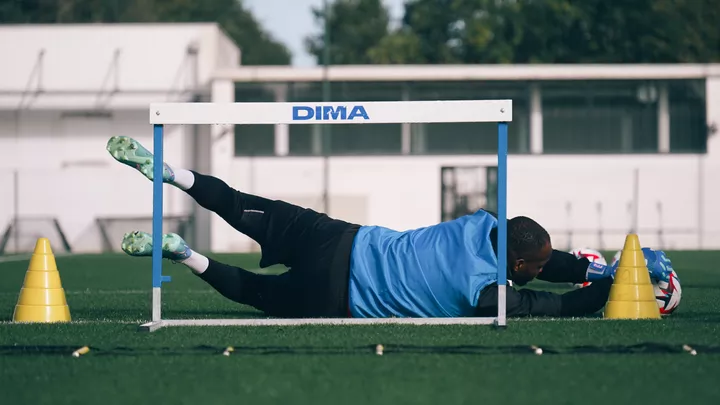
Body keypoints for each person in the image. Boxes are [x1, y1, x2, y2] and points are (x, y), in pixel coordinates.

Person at [106, 136, 674, 319]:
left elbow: (541, 258)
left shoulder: (485, 223)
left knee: (242, 203)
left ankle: (175, 173)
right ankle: (182, 253)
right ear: (521, 269)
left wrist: (591, 266)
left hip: (343, 239)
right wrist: (619, 286)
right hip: (337, 293)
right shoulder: (485, 295)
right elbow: (555, 306)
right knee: (256, 294)